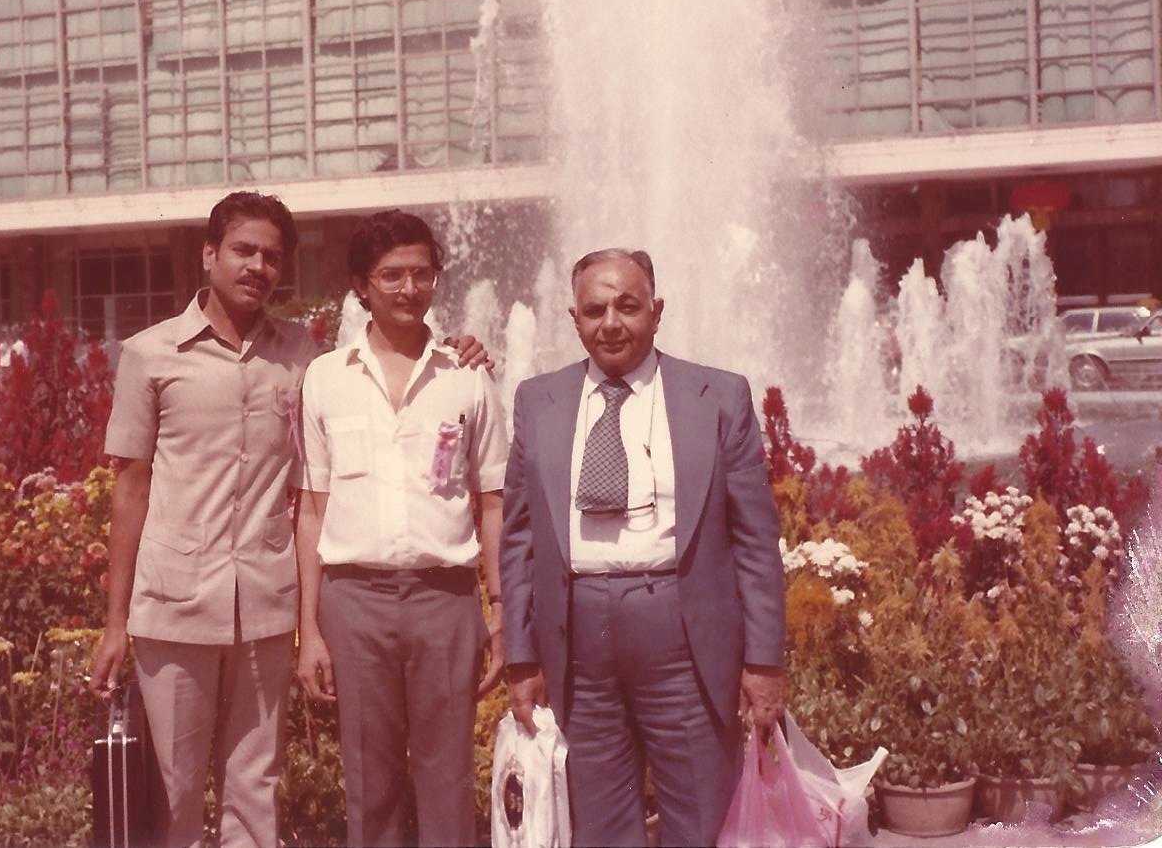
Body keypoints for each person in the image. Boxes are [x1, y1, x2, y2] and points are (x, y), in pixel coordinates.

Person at [91, 192, 488, 848]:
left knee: (256, 788)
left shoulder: (304, 358)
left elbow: (337, 453)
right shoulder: (150, 356)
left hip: (267, 609)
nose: (257, 267)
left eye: (272, 257)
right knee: (176, 788)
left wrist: (460, 348)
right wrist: (114, 624)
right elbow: (128, 493)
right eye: (243, 251)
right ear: (210, 254)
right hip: (175, 605)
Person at [499, 248, 786, 847]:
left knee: (703, 813)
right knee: (598, 821)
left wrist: (763, 661)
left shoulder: (718, 396)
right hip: (579, 640)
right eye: (595, 309)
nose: (611, 323)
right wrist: (522, 657)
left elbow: (756, 541)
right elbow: (520, 538)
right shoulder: (538, 401)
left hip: (682, 631)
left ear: (657, 312)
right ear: (573, 318)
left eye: (628, 306)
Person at [295, 209, 507, 847]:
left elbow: (493, 499)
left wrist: (499, 607)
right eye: (391, 276)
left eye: (422, 273)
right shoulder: (326, 378)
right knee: (371, 780)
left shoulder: (467, 376)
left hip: (443, 599)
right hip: (353, 601)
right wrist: (309, 630)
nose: (409, 289)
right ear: (362, 285)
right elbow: (311, 507)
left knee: (448, 778)